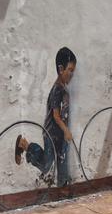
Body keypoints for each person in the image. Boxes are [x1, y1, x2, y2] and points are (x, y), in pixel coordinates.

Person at [15, 46, 77, 186]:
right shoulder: (57, 90)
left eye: (73, 71)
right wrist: (66, 130)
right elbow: (55, 115)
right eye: (70, 70)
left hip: (61, 135)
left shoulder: (64, 90)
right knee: (46, 164)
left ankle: (62, 187)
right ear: (61, 69)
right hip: (52, 133)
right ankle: (24, 145)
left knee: (63, 161)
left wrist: (65, 131)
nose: (72, 74)